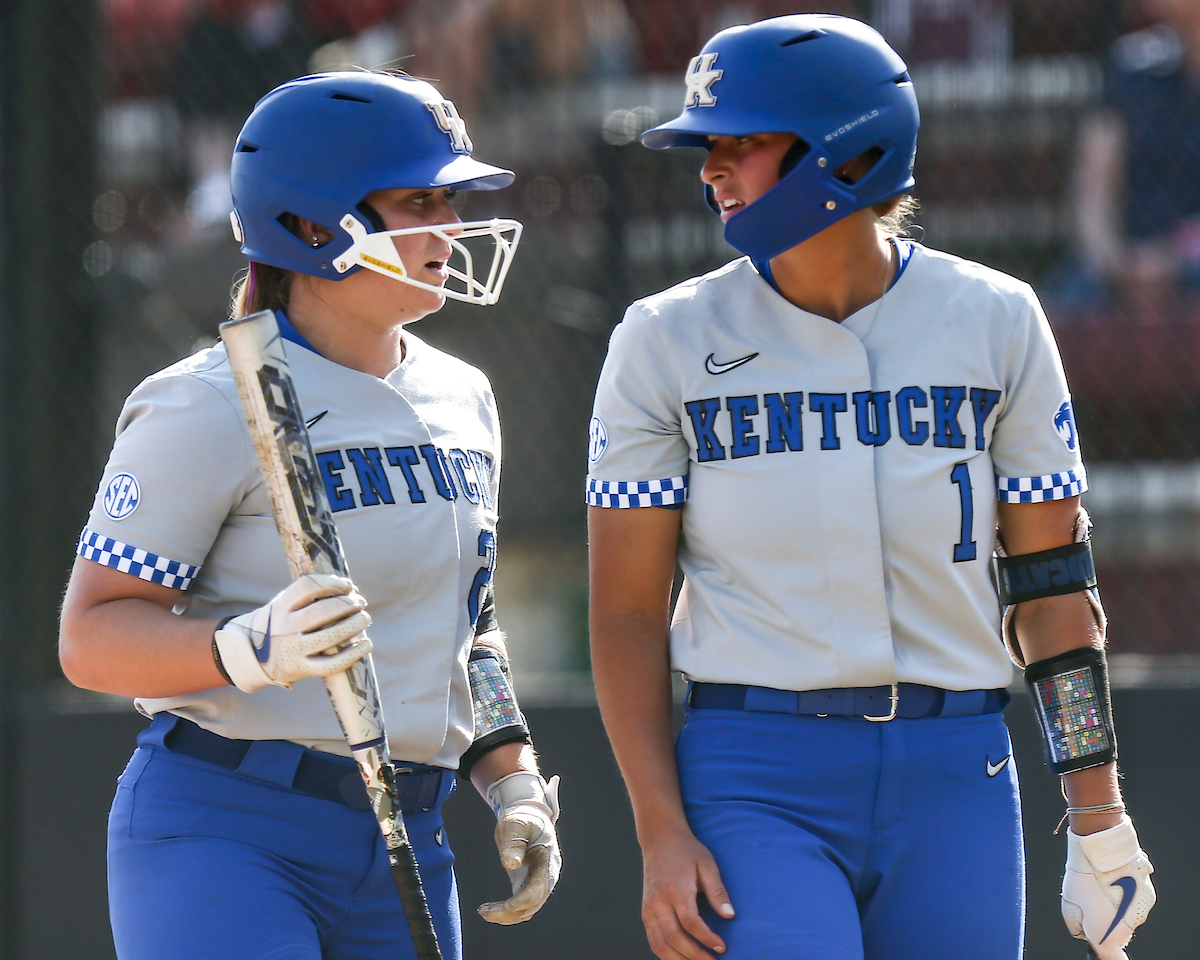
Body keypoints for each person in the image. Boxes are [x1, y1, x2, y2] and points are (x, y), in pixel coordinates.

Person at [586, 15, 1154, 960]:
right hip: (755, 768)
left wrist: (1099, 815)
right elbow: (628, 614)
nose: (709, 168)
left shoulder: (998, 317)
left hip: (957, 770)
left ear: (842, 154)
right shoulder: (663, 336)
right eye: (706, 146)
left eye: (741, 142)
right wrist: (659, 830)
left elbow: (1056, 590)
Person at [59, 71, 560, 960]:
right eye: (419, 201)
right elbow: (91, 637)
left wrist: (512, 779)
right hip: (229, 825)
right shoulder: (208, 403)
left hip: (408, 829)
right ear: (313, 225)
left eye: (451, 199)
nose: (449, 226)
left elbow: (468, 625)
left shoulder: (465, 394)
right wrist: (245, 647)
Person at [1071, 0, 1200, 306]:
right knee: (1072, 300)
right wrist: (1114, 261)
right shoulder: (1130, 69)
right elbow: (1093, 186)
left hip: (1191, 264)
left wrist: (1173, 260)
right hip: (1123, 266)